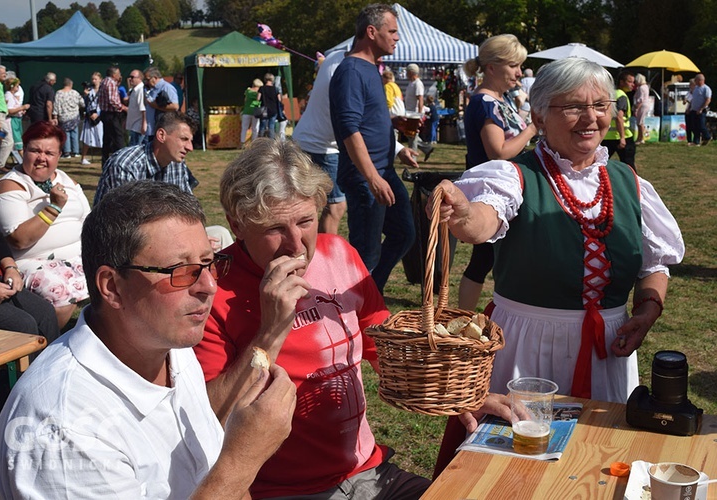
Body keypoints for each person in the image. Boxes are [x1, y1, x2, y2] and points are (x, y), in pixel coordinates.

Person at [194, 139, 512, 499]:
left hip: (370, 472)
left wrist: (464, 394)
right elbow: (206, 415)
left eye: (305, 221)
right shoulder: (211, 292)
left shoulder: (340, 255)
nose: (295, 245)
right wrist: (269, 333)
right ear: (237, 225)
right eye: (274, 229)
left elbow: (386, 349)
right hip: (281, 490)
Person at [431, 57, 684, 477]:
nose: (591, 118)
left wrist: (647, 311)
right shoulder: (514, 176)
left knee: (597, 463)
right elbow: (484, 219)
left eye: (601, 105)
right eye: (573, 107)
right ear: (538, 116)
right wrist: (462, 216)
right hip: (525, 346)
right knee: (513, 466)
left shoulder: (630, 182)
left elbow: (655, 262)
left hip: (608, 349)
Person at [0, 180, 296, 499]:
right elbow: (226, 469)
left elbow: (201, 445)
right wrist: (242, 459)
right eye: (182, 271)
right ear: (112, 287)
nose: (208, 285)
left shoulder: (165, 344)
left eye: (209, 263)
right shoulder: (65, 431)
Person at [329, 3, 419, 294]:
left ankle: (369, 294)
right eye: (391, 31)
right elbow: (349, 130)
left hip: (383, 170)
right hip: (365, 177)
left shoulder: (369, 69)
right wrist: (372, 178)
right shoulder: (352, 71)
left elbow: (369, 123)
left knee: (403, 234)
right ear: (371, 31)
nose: (397, 37)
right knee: (365, 253)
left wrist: (397, 145)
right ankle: (354, 310)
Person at [459, 34, 537, 311]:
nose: (519, 72)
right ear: (492, 67)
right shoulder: (485, 103)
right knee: (483, 260)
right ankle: (464, 318)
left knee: (492, 259)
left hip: (505, 187)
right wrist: (531, 128)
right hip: (491, 192)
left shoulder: (498, 100)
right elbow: (499, 151)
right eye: (514, 66)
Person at [0, 121, 91, 329]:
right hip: (31, 263)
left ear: (59, 155)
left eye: (49, 153)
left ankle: (96, 338)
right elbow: (19, 239)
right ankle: (49, 345)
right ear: (23, 151)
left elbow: (89, 220)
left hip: (77, 255)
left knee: (116, 274)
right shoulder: (11, 185)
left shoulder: (66, 180)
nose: (42, 158)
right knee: (58, 291)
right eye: (35, 150)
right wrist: (54, 208)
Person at [0, 143, 59, 343]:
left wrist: (11, 268)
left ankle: (49, 371)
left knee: (45, 313)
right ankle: (16, 375)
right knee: (23, 324)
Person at [293, 49, 348, 235]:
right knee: (335, 206)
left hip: (307, 139)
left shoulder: (334, 57)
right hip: (322, 146)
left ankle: (308, 252)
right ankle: (324, 258)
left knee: (306, 202)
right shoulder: (347, 66)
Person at [94, 111, 197, 205]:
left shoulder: (177, 163)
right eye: (184, 139)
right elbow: (126, 220)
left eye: (190, 141)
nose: (190, 148)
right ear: (161, 135)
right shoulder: (125, 166)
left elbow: (188, 208)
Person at [601, 70, 636, 167]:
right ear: (621, 82)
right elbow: (619, 118)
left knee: (601, 164)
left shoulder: (610, 94)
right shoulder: (621, 96)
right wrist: (622, 138)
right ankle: (630, 182)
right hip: (622, 136)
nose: (632, 85)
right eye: (630, 82)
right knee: (629, 165)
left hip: (607, 136)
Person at [98, 66, 128, 165]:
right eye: (118, 73)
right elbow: (112, 100)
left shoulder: (104, 82)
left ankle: (105, 162)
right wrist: (122, 107)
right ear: (114, 74)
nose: (120, 75)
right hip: (111, 114)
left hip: (105, 113)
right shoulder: (110, 82)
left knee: (107, 139)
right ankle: (122, 160)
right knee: (118, 137)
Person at [403, 62, 433, 157]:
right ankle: (427, 148)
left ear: (411, 72)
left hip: (414, 113)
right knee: (411, 134)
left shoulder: (418, 84)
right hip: (409, 112)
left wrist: (420, 115)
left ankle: (413, 157)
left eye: (407, 72)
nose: (406, 74)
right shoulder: (411, 83)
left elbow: (420, 99)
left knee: (412, 135)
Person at [53, 77, 86, 158]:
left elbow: (56, 106)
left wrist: (55, 116)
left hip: (63, 117)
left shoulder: (59, 93)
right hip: (74, 117)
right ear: (71, 84)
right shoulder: (75, 93)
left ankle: (67, 152)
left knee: (66, 134)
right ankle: (76, 151)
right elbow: (83, 103)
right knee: (75, 133)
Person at [144, 66, 178, 139]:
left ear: (155, 77)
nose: (146, 82)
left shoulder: (167, 87)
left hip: (162, 128)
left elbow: (175, 106)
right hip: (152, 129)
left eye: (147, 79)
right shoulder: (153, 89)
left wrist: (156, 106)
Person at [4, 76, 30, 162]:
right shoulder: (8, 95)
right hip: (12, 121)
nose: (18, 88)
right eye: (17, 86)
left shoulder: (12, 95)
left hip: (17, 119)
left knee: (19, 140)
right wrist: (22, 107)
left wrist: (21, 111)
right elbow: (9, 110)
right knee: (17, 141)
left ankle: (22, 160)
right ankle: (24, 161)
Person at [80, 72, 103, 165]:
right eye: (92, 79)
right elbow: (85, 105)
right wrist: (86, 96)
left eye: (95, 79)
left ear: (100, 80)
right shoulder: (90, 90)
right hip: (90, 116)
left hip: (100, 116)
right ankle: (83, 158)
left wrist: (98, 113)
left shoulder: (103, 90)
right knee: (87, 138)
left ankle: (104, 156)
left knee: (102, 136)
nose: (94, 81)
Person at [688, 73, 712, 147]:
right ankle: (696, 142)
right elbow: (693, 99)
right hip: (694, 110)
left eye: (696, 80)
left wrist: (701, 108)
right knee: (695, 126)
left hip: (701, 110)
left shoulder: (706, 89)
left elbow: (708, 100)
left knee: (701, 125)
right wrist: (689, 108)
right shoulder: (696, 88)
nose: (695, 81)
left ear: (701, 80)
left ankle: (707, 137)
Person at [125, 69, 147, 146]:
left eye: (132, 77)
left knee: (136, 148)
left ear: (139, 78)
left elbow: (143, 109)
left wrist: (144, 124)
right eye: (129, 77)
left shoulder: (140, 90)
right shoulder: (134, 90)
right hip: (133, 125)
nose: (130, 79)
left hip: (138, 126)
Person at [240, 78, 262, 147]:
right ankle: (254, 143)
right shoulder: (259, 93)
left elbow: (245, 100)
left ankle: (242, 143)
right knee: (255, 128)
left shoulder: (248, 91)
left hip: (246, 111)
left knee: (244, 128)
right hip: (256, 111)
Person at [258, 73, 280, 139]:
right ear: (272, 79)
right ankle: (271, 142)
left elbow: (258, 98)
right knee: (271, 126)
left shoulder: (262, 88)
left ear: (265, 79)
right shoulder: (276, 89)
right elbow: (279, 99)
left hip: (264, 109)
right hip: (273, 109)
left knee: (262, 126)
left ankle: (260, 141)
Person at [633, 73, 652, 144]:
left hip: (642, 105)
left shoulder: (641, 88)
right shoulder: (646, 86)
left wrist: (636, 108)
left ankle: (640, 138)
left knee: (639, 122)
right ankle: (641, 138)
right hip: (645, 104)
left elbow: (640, 99)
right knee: (641, 122)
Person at [684, 78, 696, 145]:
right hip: (687, 110)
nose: (689, 86)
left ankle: (696, 139)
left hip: (692, 110)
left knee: (693, 126)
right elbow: (686, 99)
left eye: (691, 84)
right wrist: (685, 100)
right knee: (688, 126)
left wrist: (689, 109)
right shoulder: (689, 92)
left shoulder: (696, 93)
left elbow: (693, 102)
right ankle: (689, 140)